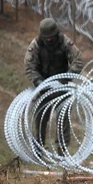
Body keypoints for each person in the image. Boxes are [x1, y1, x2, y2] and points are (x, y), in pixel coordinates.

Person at [24, 18, 84, 154]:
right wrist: (38, 82)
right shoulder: (37, 45)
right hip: (43, 87)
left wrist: (65, 78)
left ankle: (62, 151)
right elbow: (29, 66)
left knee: (63, 119)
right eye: (47, 38)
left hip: (62, 87)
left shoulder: (64, 42)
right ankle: (38, 149)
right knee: (39, 119)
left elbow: (78, 60)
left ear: (56, 34)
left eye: (52, 37)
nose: (49, 40)